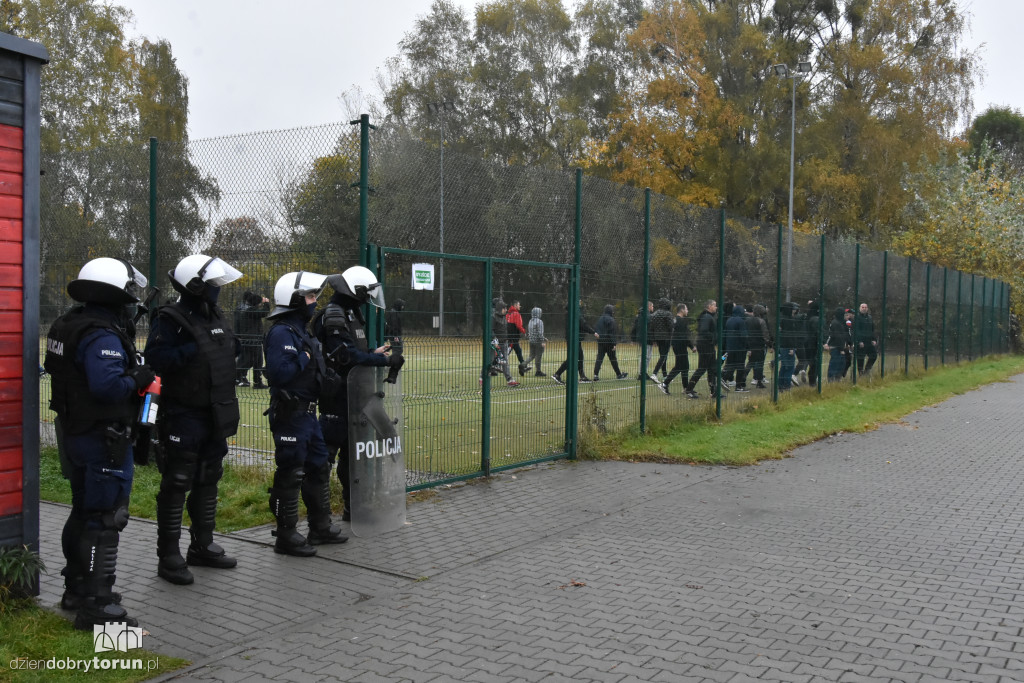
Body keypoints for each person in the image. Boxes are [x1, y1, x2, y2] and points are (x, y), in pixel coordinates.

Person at [44, 257, 152, 629]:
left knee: (83, 511)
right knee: (106, 518)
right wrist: (138, 376)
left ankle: (77, 588)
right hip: (102, 437)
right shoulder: (101, 334)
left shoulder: (68, 324)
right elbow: (107, 387)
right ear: (114, 294)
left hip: (76, 432)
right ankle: (98, 606)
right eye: (128, 293)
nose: (132, 300)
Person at [146, 254, 244, 585]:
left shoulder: (213, 313)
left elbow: (226, 349)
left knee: (209, 477)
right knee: (176, 482)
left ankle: (202, 545)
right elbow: (156, 358)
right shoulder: (169, 318)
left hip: (214, 411)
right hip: (183, 414)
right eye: (213, 284)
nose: (218, 289)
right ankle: (168, 556)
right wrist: (192, 350)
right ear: (196, 286)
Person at [263, 271, 349, 556]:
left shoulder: (302, 331)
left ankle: (319, 527)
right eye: (310, 296)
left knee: (319, 467)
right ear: (295, 299)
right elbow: (280, 372)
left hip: (308, 415)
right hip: (291, 414)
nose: (314, 301)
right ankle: (286, 535)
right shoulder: (281, 332)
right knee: (291, 472)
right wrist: (306, 356)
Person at [315, 267, 400, 524]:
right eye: (367, 293)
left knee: (352, 459)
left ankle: (354, 509)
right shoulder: (333, 315)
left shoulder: (350, 313)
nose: (368, 298)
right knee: (324, 461)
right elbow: (345, 357)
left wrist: (373, 353)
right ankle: (320, 520)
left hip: (355, 396)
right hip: (337, 397)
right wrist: (381, 360)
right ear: (357, 291)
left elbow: (351, 352)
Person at [552, 302, 598, 385]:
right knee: (572, 358)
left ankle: (582, 376)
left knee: (580, 356)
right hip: (574, 338)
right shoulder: (575, 313)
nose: (580, 303)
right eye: (578, 301)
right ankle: (557, 374)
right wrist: (593, 332)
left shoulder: (570, 313)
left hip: (574, 338)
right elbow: (583, 323)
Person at [684, 300, 719, 399]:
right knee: (702, 368)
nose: (716, 308)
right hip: (705, 345)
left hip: (709, 345)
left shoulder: (709, 317)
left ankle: (714, 391)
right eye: (714, 306)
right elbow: (704, 331)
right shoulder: (706, 317)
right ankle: (689, 389)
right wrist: (713, 337)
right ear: (709, 306)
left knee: (712, 368)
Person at [234, 290, 269, 388]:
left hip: (251, 339)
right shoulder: (250, 311)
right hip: (252, 340)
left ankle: (251, 380)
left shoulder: (246, 310)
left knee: (249, 361)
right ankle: (256, 382)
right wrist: (266, 303)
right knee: (253, 361)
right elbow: (265, 312)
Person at [484, 298, 519, 387]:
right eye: (504, 308)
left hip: (504, 342)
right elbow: (490, 330)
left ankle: (509, 379)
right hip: (495, 343)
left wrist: (509, 338)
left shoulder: (504, 317)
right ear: (500, 309)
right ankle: (486, 381)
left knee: (505, 361)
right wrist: (494, 339)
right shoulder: (493, 318)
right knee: (490, 362)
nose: (506, 310)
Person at [663, 304, 695, 395]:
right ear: (682, 310)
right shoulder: (681, 321)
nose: (687, 311)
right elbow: (684, 336)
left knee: (685, 366)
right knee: (680, 366)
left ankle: (686, 388)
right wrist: (692, 346)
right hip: (680, 345)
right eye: (686, 309)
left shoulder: (675, 320)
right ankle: (665, 384)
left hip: (676, 345)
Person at [592, 304, 628, 381]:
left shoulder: (600, 319)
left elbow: (596, 329)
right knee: (613, 359)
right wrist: (614, 344)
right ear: (611, 311)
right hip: (609, 342)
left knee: (599, 358)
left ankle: (595, 375)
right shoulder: (611, 320)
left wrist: (599, 338)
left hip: (601, 341)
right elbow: (612, 333)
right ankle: (618, 374)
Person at [723, 302, 749, 392]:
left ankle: (723, 378)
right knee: (740, 367)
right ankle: (739, 386)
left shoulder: (729, 320)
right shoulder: (741, 321)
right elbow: (743, 335)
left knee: (730, 366)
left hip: (730, 347)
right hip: (740, 348)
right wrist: (747, 346)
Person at [744, 304, 771, 389]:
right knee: (759, 364)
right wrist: (770, 344)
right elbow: (765, 335)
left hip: (750, 345)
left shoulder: (747, 320)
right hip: (759, 345)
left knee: (750, 363)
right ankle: (759, 382)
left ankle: (742, 378)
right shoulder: (761, 321)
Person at [777, 302, 802, 390]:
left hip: (783, 345)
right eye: (792, 309)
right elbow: (790, 335)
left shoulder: (781, 319)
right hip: (788, 346)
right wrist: (792, 348)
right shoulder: (789, 320)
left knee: (784, 366)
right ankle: (786, 385)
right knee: (790, 368)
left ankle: (780, 384)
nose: (794, 310)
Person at [649, 298, 674, 382]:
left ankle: (664, 375)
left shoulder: (654, 314)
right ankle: (654, 373)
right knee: (664, 356)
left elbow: (651, 328)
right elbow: (671, 326)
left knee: (663, 356)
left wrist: (654, 339)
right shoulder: (668, 314)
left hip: (658, 338)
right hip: (666, 337)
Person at [823, 306, 849, 381]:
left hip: (839, 347)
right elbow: (838, 337)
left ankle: (837, 379)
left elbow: (844, 335)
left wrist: (848, 343)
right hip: (836, 347)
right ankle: (831, 380)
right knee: (834, 364)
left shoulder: (841, 323)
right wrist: (841, 349)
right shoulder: (836, 323)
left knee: (841, 364)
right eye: (844, 314)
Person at [630, 301, 654, 379]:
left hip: (642, 338)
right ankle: (642, 373)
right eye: (652, 306)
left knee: (646, 356)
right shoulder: (647, 316)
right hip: (647, 338)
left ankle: (643, 372)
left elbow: (634, 327)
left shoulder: (640, 315)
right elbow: (650, 328)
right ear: (649, 306)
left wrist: (633, 338)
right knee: (646, 356)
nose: (653, 308)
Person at [853, 302, 878, 375]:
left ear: (867, 308)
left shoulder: (869, 318)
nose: (864, 309)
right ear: (859, 308)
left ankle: (867, 370)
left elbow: (872, 329)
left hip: (869, 341)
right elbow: (856, 330)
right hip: (861, 342)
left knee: (874, 355)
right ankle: (860, 373)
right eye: (862, 307)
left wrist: (874, 339)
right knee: (860, 358)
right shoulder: (857, 317)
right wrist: (859, 341)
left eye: (865, 307)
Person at [522, 306, 547, 376]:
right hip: (538, 341)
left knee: (531, 355)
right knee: (538, 356)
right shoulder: (540, 321)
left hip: (531, 341)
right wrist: (543, 340)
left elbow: (531, 331)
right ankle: (538, 371)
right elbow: (540, 333)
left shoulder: (530, 321)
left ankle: (523, 364)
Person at [803, 300, 822, 387]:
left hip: (807, 342)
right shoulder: (816, 319)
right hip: (814, 343)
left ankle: (812, 379)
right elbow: (817, 332)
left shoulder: (808, 316)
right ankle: (812, 381)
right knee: (815, 363)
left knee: (812, 362)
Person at [506, 299, 526, 374]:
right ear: (515, 305)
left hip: (508, 336)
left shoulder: (508, 314)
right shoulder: (516, 314)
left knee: (518, 351)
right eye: (518, 305)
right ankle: (494, 364)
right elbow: (518, 325)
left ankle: (523, 366)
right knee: (506, 353)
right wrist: (524, 331)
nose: (519, 306)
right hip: (513, 337)